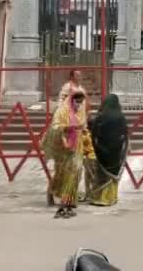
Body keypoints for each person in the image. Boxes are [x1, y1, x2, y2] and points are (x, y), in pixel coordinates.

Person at [42, 90, 91, 218]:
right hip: (64, 147)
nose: (79, 105)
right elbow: (54, 127)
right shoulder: (62, 110)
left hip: (77, 146)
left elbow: (83, 125)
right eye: (77, 102)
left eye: (81, 102)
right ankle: (51, 192)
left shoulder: (80, 110)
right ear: (71, 100)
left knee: (76, 171)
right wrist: (68, 127)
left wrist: (83, 131)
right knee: (61, 174)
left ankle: (68, 201)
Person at [87, 94, 127, 206]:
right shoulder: (120, 117)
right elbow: (125, 134)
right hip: (116, 151)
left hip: (102, 150)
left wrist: (96, 146)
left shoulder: (101, 116)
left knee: (101, 174)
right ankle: (110, 197)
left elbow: (94, 131)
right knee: (113, 173)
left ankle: (99, 197)